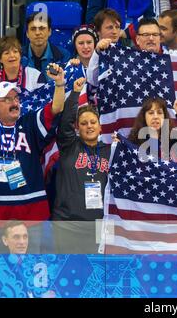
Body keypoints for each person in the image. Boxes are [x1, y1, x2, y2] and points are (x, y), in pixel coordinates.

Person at [0, 64, 66, 253]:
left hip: (29, 206)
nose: (15, 103)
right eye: (8, 99)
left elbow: (56, 108)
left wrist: (60, 84)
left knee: (29, 266)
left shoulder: (28, 122)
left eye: (16, 98)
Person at [51, 77, 110, 254]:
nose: (89, 126)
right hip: (68, 223)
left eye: (93, 122)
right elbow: (64, 123)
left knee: (103, 273)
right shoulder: (69, 145)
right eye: (84, 123)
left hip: (102, 223)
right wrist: (75, 93)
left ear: (101, 127)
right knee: (69, 273)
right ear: (77, 127)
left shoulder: (111, 150)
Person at [0, 36, 45, 112]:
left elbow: (45, 102)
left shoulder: (36, 76)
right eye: (7, 53)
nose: (12, 55)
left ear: (20, 55)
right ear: (0, 59)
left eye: (15, 52)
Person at [127, 97, 177, 162]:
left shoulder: (173, 137)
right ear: (144, 117)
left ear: (164, 117)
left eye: (159, 113)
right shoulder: (134, 139)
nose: (155, 117)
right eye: (151, 113)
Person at [21, 12, 71, 80]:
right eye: (33, 29)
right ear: (27, 34)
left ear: (49, 31)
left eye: (42, 28)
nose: (37, 33)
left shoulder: (64, 55)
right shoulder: (18, 56)